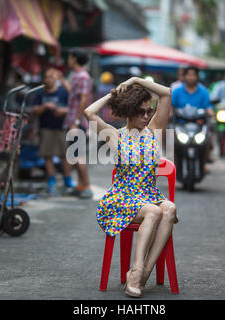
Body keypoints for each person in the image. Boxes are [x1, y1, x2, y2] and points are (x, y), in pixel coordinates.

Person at [84, 77, 178, 298]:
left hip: (149, 195)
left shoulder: (154, 131)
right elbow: (89, 112)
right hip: (121, 198)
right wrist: (115, 94)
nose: (147, 116)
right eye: (141, 112)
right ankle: (136, 273)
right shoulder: (115, 136)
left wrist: (137, 80)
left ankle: (143, 273)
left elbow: (166, 93)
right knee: (154, 211)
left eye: (149, 111)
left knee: (170, 209)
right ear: (128, 112)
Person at [32, 68, 75, 194]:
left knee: (65, 155)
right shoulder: (39, 93)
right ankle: (51, 178)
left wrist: (62, 111)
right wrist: (45, 106)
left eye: (51, 76)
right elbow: (35, 110)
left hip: (61, 127)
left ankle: (67, 178)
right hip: (45, 128)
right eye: (47, 76)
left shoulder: (63, 91)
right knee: (47, 155)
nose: (49, 79)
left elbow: (72, 107)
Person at [62, 48, 93, 199]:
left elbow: (83, 99)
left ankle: (87, 186)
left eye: (70, 57)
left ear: (74, 59)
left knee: (78, 155)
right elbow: (73, 95)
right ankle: (81, 186)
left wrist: (76, 121)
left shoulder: (82, 76)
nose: (68, 60)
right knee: (73, 154)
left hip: (77, 122)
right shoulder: (76, 76)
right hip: (73, 121)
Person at [172, 66, 214, 164]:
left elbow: (208, 106)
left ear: (197, 77)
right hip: (180, 124)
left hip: (198, 124)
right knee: (169, 132)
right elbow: (171, 106)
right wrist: (168, 114)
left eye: (193, 75)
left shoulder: (203, 91)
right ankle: (171, 160)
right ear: (184, 76)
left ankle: (206, 159)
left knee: (209, 134)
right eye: (189, 75)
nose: (191, 77)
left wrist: (212, 114)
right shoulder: (177, 91)